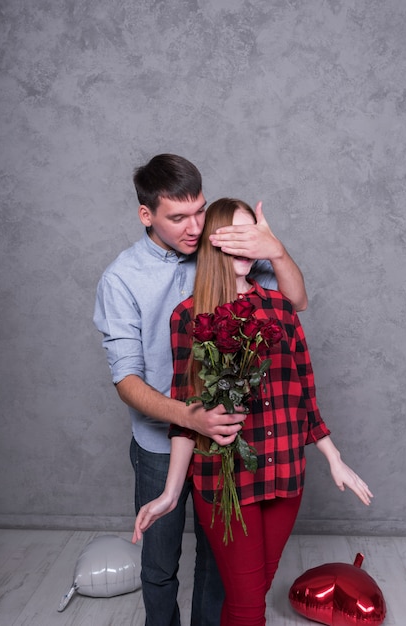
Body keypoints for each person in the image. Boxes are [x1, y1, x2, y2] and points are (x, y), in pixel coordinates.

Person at [132, 198, 373, 626]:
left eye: (252, 235)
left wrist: (334, 458)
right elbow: (186, 412)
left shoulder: (281, 309)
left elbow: (305, 391)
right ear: (212, 243)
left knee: (252, 592)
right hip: (227, 483)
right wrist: (171, 492)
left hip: (285, 476)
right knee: (246, 605)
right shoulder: (187, 317)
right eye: (233, 236)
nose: (245, 245)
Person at [94, 154, 308, 626]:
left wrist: (275, 248)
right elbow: (126, 379)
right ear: (146, 215)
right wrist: (188, 417)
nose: (195, 227)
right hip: (159, 444)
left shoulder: (223, 248)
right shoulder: (122, 279)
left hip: (226, 448)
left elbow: (294, 302)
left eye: (200, 210)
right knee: (159, 563)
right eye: (178, 217)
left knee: (220, 570)